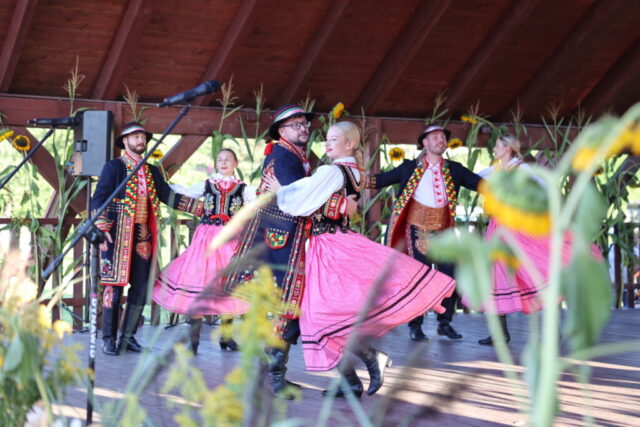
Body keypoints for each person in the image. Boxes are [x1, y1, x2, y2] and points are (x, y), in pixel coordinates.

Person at [264, 121, 456, 398]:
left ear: (350, 143)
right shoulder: (353, 170)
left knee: (319, 318)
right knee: (323, 317)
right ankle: (355, 376)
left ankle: (364, 365)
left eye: (334, 139)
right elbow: (325, 198)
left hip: (329, 246)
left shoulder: (331, 171)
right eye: (327, 139)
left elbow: (301, 202)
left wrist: (280, 189)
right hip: (336, 242)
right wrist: (341, 204)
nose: (327, 143)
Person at [224, 104, 315, 398]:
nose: (304, 128)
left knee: (282, 305)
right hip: (282, 242)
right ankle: (275, 377)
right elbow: (300, 199)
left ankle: (270, 372)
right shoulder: (283, 156)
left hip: (282, 239)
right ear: (281, 131)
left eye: (305, 124)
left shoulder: (294, 155)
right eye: (296, 125)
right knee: (286, 305)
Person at [474, 134, 599, 345]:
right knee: (495, 275)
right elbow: (471, 178)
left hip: (518, 228)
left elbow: (546, 185)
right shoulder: (494, 170)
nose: (494, 149)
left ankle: (553, 331)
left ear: (507, 148)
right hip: (498, 228)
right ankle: (500, 334)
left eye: (497, 146)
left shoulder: (522, 168)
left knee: (534, 273)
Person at [91, 122, 203, 356]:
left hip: (143, 236)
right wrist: (101, 228)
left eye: (143, 137)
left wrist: (202, 208)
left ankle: (127, 338)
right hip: (117, 235)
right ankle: (108, 339)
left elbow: (168, 196)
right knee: (113, 286)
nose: (141, 140)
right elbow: (99, 197)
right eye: (135, 137)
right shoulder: (114, 167)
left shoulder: (152, 171)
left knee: (141, 287)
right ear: (124, 141)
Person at [365, 124, 482, 341]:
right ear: (424, 143)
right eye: (435, 136)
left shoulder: (455, 169)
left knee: (450, 277)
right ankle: (415, 325)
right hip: (417, 230)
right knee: (419, 278)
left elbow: (480, 184)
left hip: (444, 231)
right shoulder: (409, 168)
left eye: (443, 137)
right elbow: (379, 180)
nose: (440, 139)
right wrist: (348, 176)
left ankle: (444, 323)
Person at [151, 148, 255, 354]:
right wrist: (163, 185)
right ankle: (194, 341)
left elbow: (258, 201)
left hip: (230, 238)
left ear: (236, 164)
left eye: (228, 159)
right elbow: (186, 191)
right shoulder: (208, 184)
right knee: (198, 281)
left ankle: (226, 337)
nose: (223, 162)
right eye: (220, 159)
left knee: (227, 283)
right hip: (206, 239)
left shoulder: (243, 188)